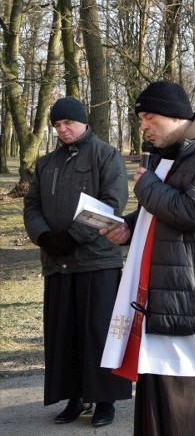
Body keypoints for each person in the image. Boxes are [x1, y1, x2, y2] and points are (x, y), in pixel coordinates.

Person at [101, 81, 195, 435]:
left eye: (148, 117)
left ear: (175, 115)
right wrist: (131, 227)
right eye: (139, 119)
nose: (143, 126)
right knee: (159, 408)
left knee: (191, 414)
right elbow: (163, 211)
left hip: (192, 300)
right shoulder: (169, 153)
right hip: (163, 297)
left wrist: (146, 185)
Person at [23, 97, 132, 427]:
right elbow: (32, 206)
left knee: (98, 334)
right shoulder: (46, 164)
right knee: (64, 333)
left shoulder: (105, 155)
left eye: (68, 122)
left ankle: (104, 400)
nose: (63, 129)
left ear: (83, 122)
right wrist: (44, 237)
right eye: (57, 125)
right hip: (57, 262)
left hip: (97, 261)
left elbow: (112, 202)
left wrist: (73, 236)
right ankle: (74, 398)